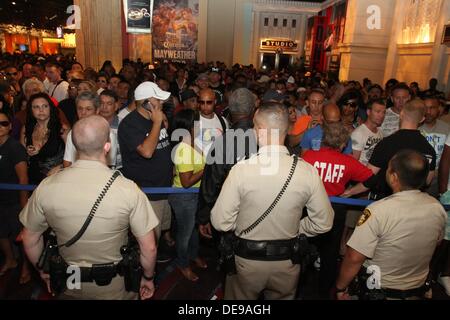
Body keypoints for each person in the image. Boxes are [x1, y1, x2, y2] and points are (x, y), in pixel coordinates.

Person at [20, 115, 159, 300]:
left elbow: (29, 239)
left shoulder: (47, 186)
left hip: (69, 280)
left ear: (75, 146)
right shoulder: (128, 189)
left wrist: (43, 271)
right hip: (114, 285)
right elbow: (149, 247)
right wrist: (148, 278)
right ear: (107, 146)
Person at [211, 102, 334, 300]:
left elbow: (220, 221)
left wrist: (242, 225)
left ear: (260, 130)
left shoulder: (241, 170)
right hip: (287, 263)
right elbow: (324, 222)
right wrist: (296, 228)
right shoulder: (307, 171)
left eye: (253, 126)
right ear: (288, 129)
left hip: (246, 262)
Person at [336, 150, 447, 300]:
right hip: (416, 291)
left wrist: (340, 287)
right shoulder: (437, 208)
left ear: (394, 177)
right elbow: (436, 243)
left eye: (388, 169)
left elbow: (354, 257)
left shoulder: (378, 210)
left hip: (379, 291)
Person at [303, 122, 375, 298]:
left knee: (303, 247)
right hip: (335, 210)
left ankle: (301, 287)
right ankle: (323, 292)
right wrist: (350, 191)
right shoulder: (348, 162)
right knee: (330, 253)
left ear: (323, 139)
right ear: (343, 143)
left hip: (309, 207)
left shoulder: (309, 156)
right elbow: (372, 179)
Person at [344, 99, 437, 200]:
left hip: (386, 201)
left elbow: (369, 178)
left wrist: (349, 192)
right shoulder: (429, 149)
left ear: (401, 114)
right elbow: (427, 180)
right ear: (422, 119)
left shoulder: (387, 144)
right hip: (416, 203)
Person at [197, 88, 258, 239]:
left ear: (230, 109)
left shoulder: (222, 143)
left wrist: (205, 217)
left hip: (228, 212)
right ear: (253, 109)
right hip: (259, 210)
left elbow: (211, 183)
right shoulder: (266, 138)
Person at [118, 82, 173, 244]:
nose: (162, 103)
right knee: (148, 241)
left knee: (159, 234)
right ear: (146, 103)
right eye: (158, 100)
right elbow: (147, 152)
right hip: (147, 194)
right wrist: (157, 123)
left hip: (162, 188)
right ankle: (147, 268)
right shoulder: (129, 124)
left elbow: (161, 144)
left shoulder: (157, 117)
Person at [169, 109, 207, 281]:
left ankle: (193, 255)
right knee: (184, 234)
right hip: (184, 197)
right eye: (197, 122)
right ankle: (182, 263)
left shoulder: (192, 143)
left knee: (192, 230)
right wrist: (207, 169)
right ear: (188, 127)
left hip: (194, 195)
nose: (200, 125)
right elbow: (186, 181)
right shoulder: (184, 149)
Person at [0, 111, 29, 281]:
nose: (0, 127)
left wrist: (23, 203)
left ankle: (26, 267)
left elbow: (23, 178)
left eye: (4, 123)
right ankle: (10, 260)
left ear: (10, 127)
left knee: (21, 236)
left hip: (14, 201)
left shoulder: (14, 147)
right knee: (1, 234)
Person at [21, 93, 68, 184]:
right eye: (36, 107)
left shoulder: (62, 128)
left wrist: (61, 167)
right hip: (33, 180)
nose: (41, 110)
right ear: (31, 110)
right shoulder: (26, 128)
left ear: (50, 108)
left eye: (45, 106)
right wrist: (28, 153)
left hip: (56, 180)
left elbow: (74, 155)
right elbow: (22, 157)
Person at [351, 99, 386, 165]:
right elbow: (353, 162)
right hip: (362, 173)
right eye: (378, 112)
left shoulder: (380, 132)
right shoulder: (358, 133)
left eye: (383, 112)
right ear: (368, 112)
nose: (381, 115)